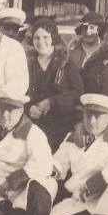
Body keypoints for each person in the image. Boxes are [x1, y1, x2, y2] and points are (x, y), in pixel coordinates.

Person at [25, 17, 84, 150]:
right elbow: (21, 91)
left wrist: (51, 101)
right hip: (32, 124)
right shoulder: (28, 62)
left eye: (45, 37)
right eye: (37, 38)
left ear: (53, 38)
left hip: (61, 124)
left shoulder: (66, 61)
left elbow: (78, 93)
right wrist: (29, 108)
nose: (41, 42)